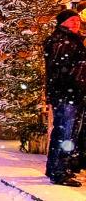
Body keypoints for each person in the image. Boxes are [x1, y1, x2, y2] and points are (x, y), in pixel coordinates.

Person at [43, 9, 86, 186]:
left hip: (68, 93)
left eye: (78, 20)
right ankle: (60, 171)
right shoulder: (63, 41)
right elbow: (62, 69)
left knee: (64, 131)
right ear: (63, 22)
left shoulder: (70, 40)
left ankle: (56, 168)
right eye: (72, 20)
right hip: (67, 93)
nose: (76, 23)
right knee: (65, 133)